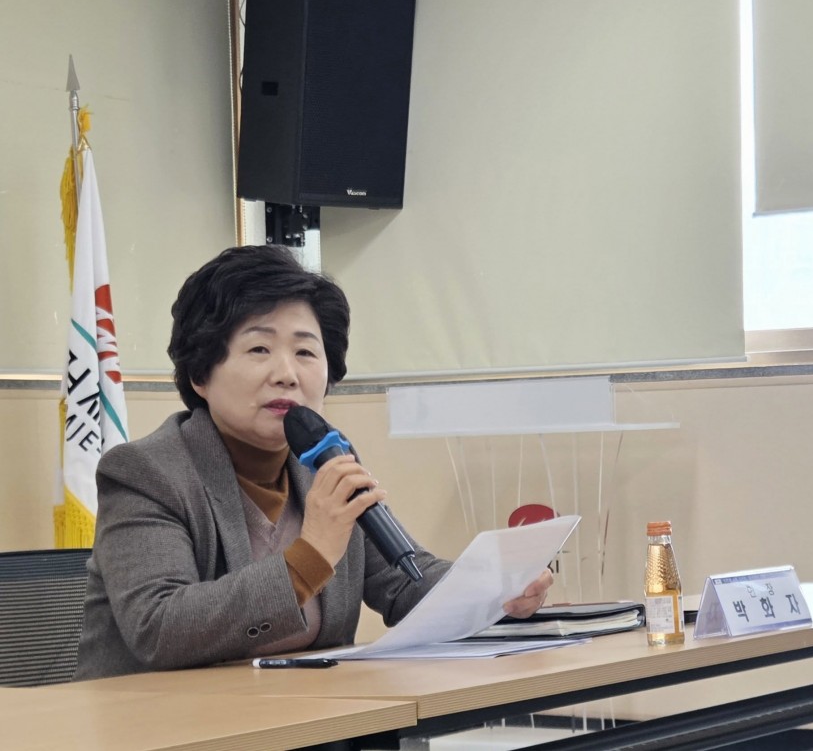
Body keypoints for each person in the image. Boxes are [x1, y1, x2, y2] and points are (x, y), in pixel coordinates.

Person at [74, 245, 552, 680]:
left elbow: (403, 580)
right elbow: (160, 629)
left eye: (305, 351)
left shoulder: (323, 459)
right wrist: (312, 554)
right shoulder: (145, 473)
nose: (287, 374)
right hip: (166, 727)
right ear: (201, 372)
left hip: (309, 720)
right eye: (259, 349)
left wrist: (494, 587)